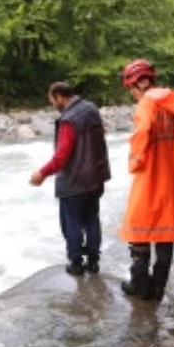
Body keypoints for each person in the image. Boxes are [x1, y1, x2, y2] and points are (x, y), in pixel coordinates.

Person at [118, 59, 174, 302]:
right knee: (165, 235)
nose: (133, 95)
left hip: (149, 180)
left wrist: (135, 160)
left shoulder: (147, 103)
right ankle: (157, 289)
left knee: (139, 232)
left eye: (132, 89)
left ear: (141, 83)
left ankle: (139, 285)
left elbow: (144, 129)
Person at [30, 81, 111, 276]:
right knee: (92, 220)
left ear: (59, 96)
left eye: (52, 100)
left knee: (71, 224)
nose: (52, 104)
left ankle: (76, 263)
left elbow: (62, 156)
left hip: (75, 182)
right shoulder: (91, 109)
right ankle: (93, 262)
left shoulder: (68, 120)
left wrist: (42, 173)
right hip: (96, 178)